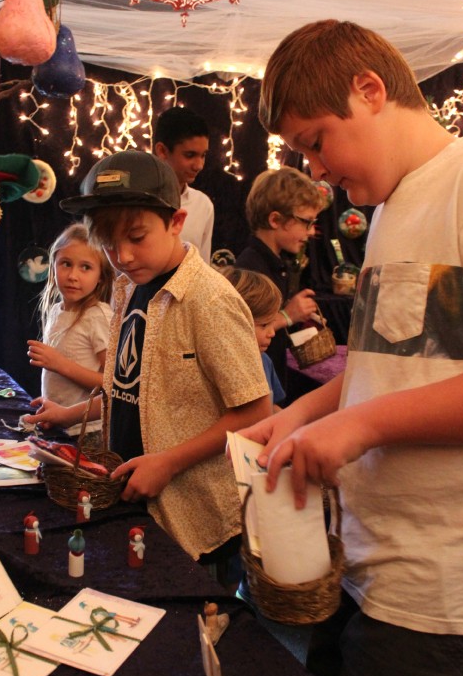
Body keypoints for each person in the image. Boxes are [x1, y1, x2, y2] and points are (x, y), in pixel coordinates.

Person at [239, 18, 463, 676]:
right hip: (371, 569)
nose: (316, 172)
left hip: (444, 598)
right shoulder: (390, 206)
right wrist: (310, 412)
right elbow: (402, 369)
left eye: (317, 142)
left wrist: (356, 426)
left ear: (369, 90)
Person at [53, 149, 271, 573]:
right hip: (136, 498)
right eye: (109, 243)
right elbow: (132, 391)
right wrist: (69, 413)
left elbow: (255, 411)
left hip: (198, 518)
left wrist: (168, 462)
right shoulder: (125, 288)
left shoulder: (209, 299)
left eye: (136, 238)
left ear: (176, 222)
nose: (124, 255)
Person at [23, 222, 114, 448]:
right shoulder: (56, 311)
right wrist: (50, 402)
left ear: (101, 276)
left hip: (88, 431)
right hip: (59, 426)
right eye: (66, 264)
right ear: (52, 266)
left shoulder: (99, 316)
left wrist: (60, 364)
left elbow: (111, 383)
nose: (73, 275)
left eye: (85, 267)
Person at [235, 166, 322, 398]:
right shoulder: (250, 269)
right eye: (306, 222)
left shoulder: (276, 264)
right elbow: (238, 336)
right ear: (275, 219)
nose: (311, 232)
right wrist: (287, 315)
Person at [153, 105, 214, 263]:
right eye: (190, 155)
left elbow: (203, 268)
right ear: (162, 151)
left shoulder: (203, 205)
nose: (199, 165)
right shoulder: (134, 198)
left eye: (203, 156)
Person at [220, 266, 286, 410]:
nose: (272, 333)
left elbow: (273, 406)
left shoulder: (264, 361)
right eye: (263, 325)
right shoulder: (221, 366)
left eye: (272, 324)